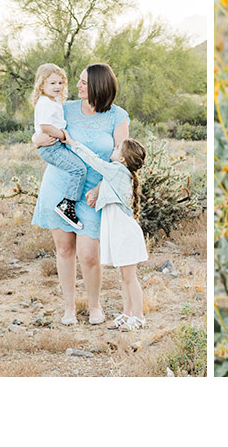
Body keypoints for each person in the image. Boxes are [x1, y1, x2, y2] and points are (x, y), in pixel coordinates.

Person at [32, 63, 129, 326]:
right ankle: (69, 308)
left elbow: (123, 158)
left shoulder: (117, 116)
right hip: (60, 186)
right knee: (64, 249)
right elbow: (41, 133)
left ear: (99, 85)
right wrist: (36, 141)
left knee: (88, 253)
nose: (77, 86)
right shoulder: (65, 108)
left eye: (84, 82)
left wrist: (102, 188)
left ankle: (94, 305)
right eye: (78, 81)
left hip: (94, 192)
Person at [61, 134, 149, 331]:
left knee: (130, 277)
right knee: (124, 277)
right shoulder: (118, 172)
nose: (114, 148)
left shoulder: (117, 170)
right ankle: (127, 314)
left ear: (123, 159)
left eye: (118, 148)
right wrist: (95, 195)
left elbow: (94, 161)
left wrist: (74, 144)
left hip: (124, 233)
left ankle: (139, 317)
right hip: (119, 232)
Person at [31, 63, 86, 230]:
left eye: (60, 83)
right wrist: (63, 135)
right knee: (78, 170)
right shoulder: (46, 103)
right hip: (51, 147)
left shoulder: (53, 100)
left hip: (52, 146)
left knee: (77, 167)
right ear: (42, 84)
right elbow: (46, 127)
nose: (57, 87)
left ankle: (67, 204)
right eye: (52, 83)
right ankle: (67, 205)